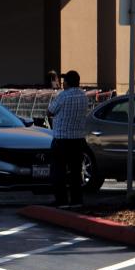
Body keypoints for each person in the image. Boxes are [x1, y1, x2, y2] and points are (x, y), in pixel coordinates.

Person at [46, 70, 88, 208]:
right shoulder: (83, 96)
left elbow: (50, 111)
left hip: (62, 139)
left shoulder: (63, 96)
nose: (63, 83)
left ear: (68, 83)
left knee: (59, 171)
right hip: (78, 139)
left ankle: (62, 200)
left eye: (64, 81)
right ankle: (77, 200)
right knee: (76, 172)